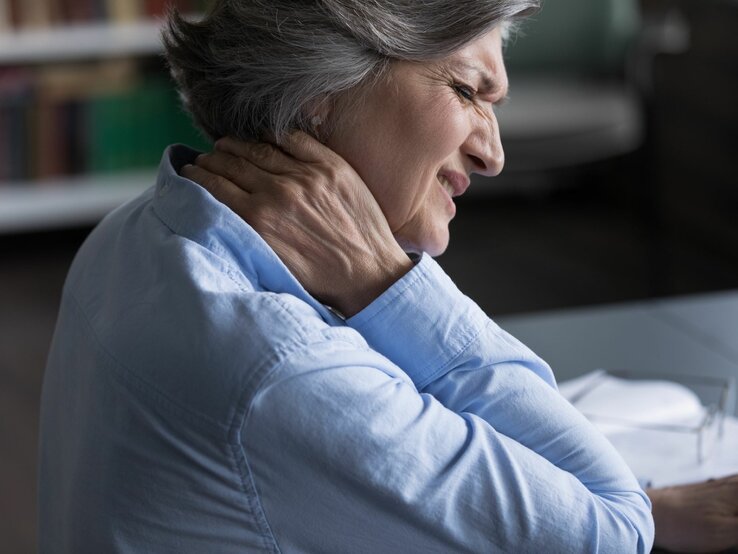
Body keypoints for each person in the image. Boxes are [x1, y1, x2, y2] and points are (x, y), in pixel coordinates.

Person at [37, 1, 738, 552]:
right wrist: (385, 283)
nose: (494, 152)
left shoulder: (139, 230)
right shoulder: (282, 369)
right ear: (323, 90)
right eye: (468, 90)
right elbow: (614, 532)